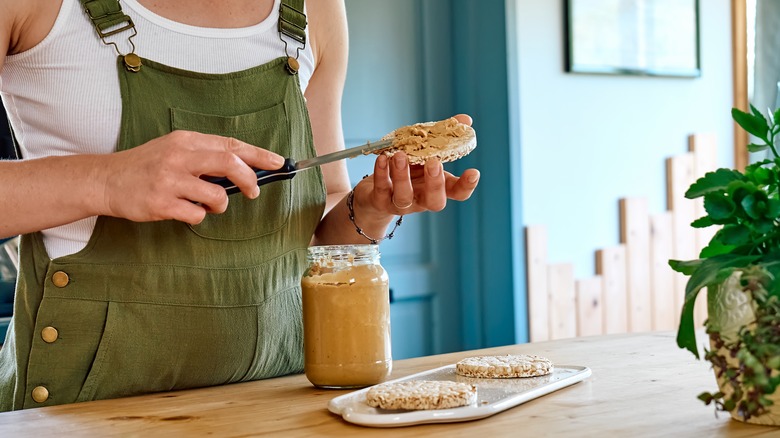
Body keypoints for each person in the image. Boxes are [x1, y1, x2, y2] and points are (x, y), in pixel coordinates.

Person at [0, 0, 480, 411]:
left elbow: (318, 226)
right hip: (84, 411)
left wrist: (371, 208)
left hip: (281, 403)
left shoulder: (317, 9)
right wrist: (106, 180)